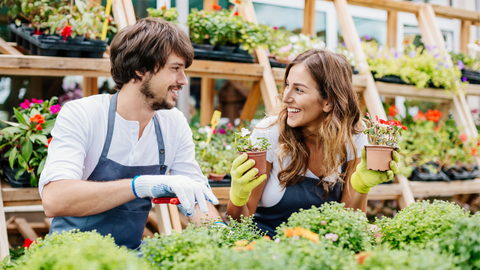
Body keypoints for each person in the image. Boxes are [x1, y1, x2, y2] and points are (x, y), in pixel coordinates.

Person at [40, 18, 220, 249]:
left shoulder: (173, 123)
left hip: (130, 257)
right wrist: (139, 185)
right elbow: (55, 199)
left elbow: (196, 198)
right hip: (72, 258)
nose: (183, 80)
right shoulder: (84, 114)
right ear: (140, 69)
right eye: (175, 69)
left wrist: (222, 236)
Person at [226, 49, 399, 237]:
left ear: (328, 102)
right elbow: (238, 225)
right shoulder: (269, 132)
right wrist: (238, 196)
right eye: (287, 85)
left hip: (320, 250)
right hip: (265, 246)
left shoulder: (354, 135)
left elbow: (352, 224)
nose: (286, 97)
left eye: (299, 89)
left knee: (379, 233)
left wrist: (361, 188)